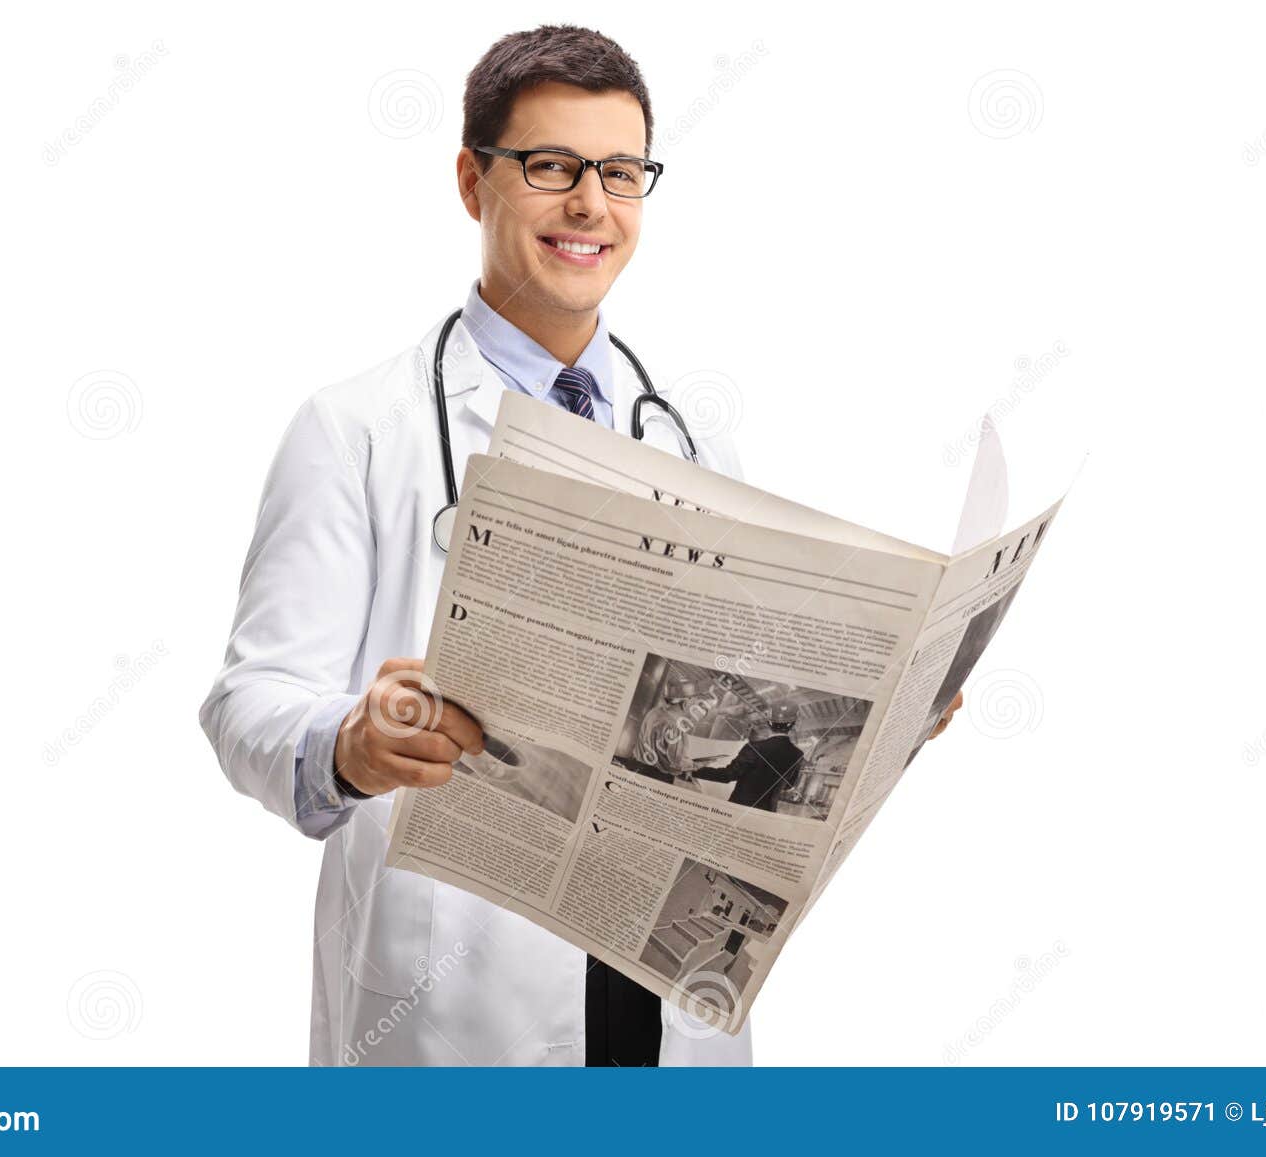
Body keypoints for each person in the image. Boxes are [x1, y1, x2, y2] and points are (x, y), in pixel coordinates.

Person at [200, 24, 964, 1068]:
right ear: (473, 182)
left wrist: (878, 715)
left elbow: (744, 715)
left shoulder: (692, 437)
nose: (590, 206)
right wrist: (350, 739)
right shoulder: (355, 429)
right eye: (552, 166)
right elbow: (247, 702)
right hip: (460, 1006)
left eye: (619, 171)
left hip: (671, 983)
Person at [694, 703, 808, 812]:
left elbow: (728, 775)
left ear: (769, 721)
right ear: (793, 724)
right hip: (767, 812)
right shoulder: (797, 754)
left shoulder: (755, 748)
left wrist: (693, 769)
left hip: (739, 807)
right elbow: (789, 785)